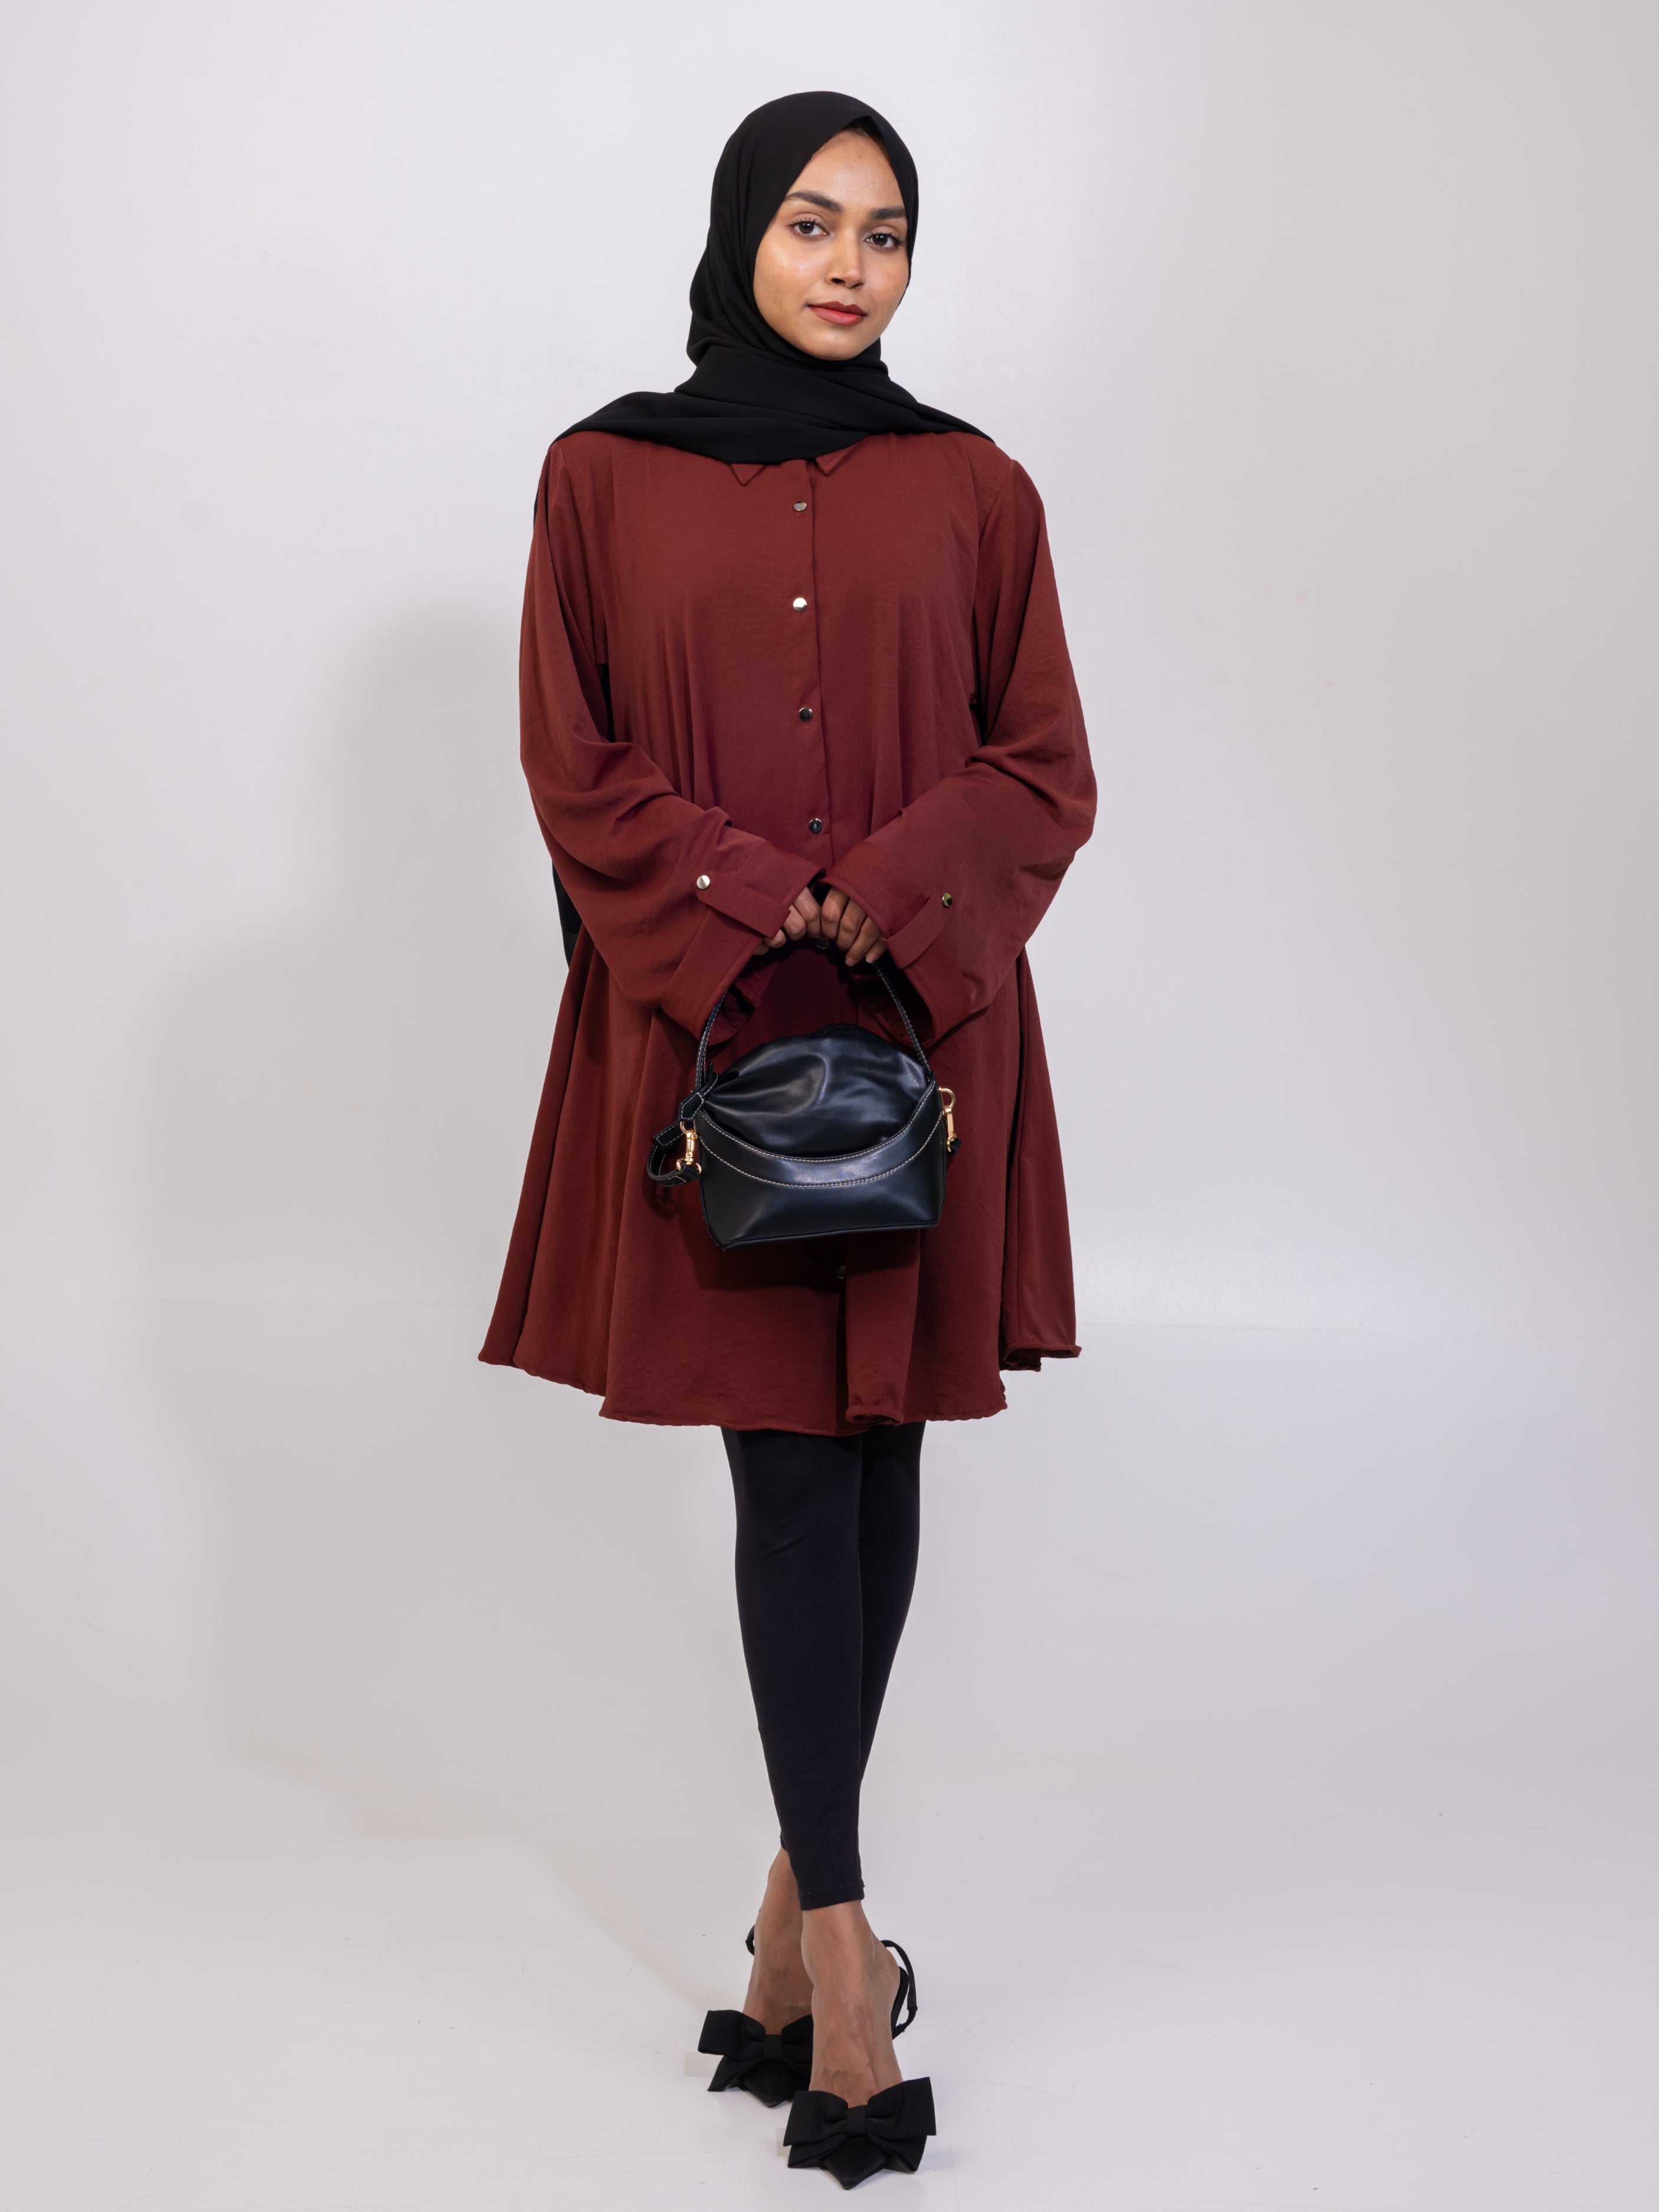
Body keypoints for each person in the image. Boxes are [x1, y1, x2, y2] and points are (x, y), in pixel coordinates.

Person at [481, 88, 1095, 2187]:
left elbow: (1045, 767)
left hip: (921, 1032)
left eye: (888, 232)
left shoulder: (978, 488)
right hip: (717, 1034)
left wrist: (884, 894)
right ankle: (844, 1957)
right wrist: (761, 897)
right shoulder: (601, 479)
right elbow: (572, 760)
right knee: (788, 1467)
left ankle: (778, 1916)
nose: (851, 264)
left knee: (882, 1446)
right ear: (744, 228)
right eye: (816, 222)